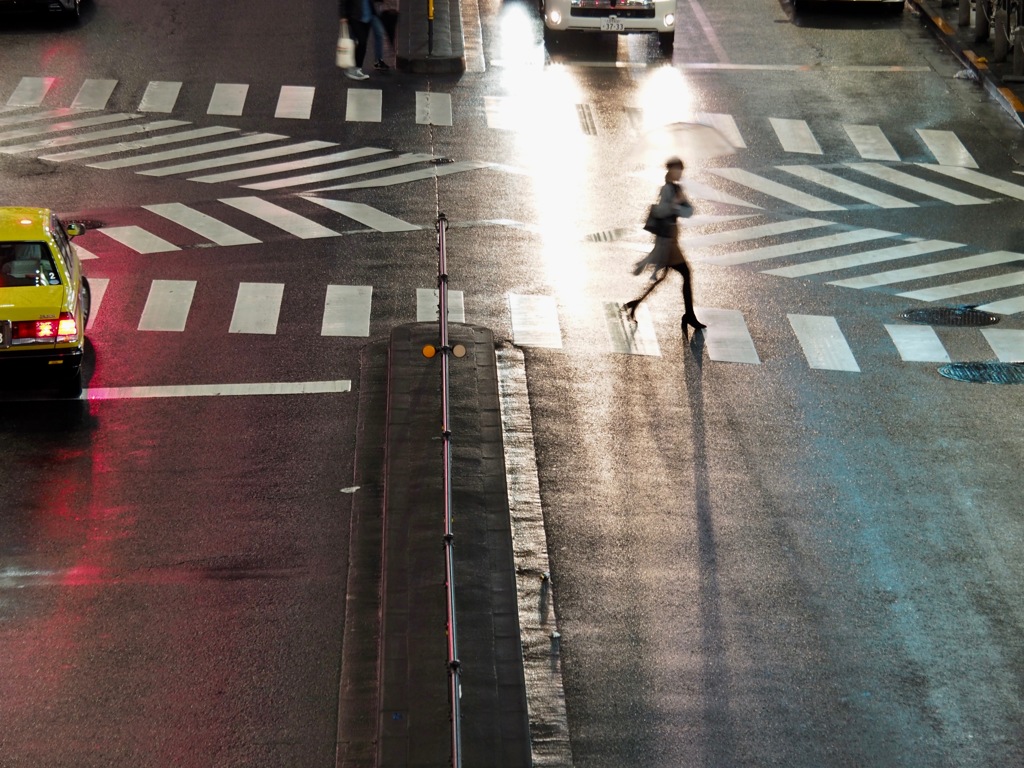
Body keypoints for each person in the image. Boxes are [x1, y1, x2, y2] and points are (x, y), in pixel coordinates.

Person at [622, 157, 706, 333]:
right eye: (679, 170)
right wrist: (675, 206)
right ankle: (689, 315)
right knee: (685, 273)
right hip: (667, 242)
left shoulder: (676, 188)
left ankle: (634, 304)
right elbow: (660, 211)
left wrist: (679, 205)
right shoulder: (667, 189)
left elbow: (689, 211)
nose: (681, 173)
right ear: (673, 171)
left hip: (671, 240)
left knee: (663, 277)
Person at [341, 0, 373, 80]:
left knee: (363, 43)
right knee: (361, 41)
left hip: (367, 16)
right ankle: (353, 68)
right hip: (355, 16)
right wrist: (343, 15)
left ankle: (357, 68)